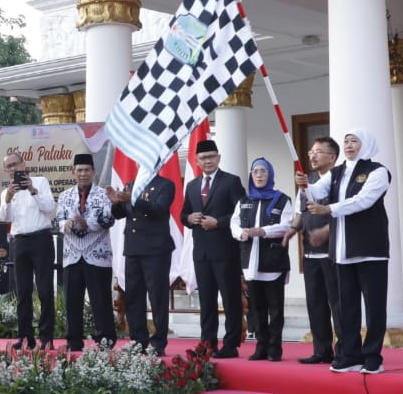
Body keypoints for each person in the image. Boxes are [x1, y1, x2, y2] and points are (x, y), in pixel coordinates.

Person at [296, 129, 391, 375]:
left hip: (370, 249)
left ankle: (372, 356)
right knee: (346, 306)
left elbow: (363, 200)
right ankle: (350, 354)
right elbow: (316, 193)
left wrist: (329, 209)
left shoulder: (377, 171)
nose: (349, 145)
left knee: (374, 306)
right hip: (341, 251)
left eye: (354, 141)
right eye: (346, 141)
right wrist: (304, 185)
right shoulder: (337, 172)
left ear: (367, 144)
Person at [181, 140, 246, 358]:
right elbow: (183, 215)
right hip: (201, 253)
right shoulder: (191, 186)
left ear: (219, 157)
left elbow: (242, 214)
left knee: (230, 299)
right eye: (203, 158)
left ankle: (231, 344)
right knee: (206, 301)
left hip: (226, 251)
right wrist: (189, 218)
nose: (208, 161)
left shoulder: (231, 181)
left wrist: (218, 222)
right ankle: (207, 343)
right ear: (197, 161)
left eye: (211, 156)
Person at [232, 157, 294, 361]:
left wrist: (262, 231)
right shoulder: (245, 201)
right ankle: (261, 346)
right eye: (255, 171)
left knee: (275, 308)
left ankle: (275, 348)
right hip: (250, 262)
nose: (258, 175)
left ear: (270, 175)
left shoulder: (282, 199)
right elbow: (234, 224)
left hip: (273, 262)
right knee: (256, 309)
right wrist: (241, 233)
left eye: (263, 171)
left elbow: (287, 225)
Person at [108, 171, 176, 356]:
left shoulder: (165, 185)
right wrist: (115, 203)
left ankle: (158, 341)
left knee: (157, 297)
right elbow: (121, 214)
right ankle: (138, 340)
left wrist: (134, 199)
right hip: (133, 249)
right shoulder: (130, 185)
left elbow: (159, 209)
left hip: (156, 249)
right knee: (134, 297)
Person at [54, 153, 117, 351]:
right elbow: (56, 221)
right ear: (73, 172)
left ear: (93, 172)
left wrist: (86, 223)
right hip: (72, 256)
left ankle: (105, 341)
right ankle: (74, 341)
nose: (83, 174)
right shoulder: (65, 196)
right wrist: (69, 223)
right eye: (79, 170)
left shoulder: (103, 194)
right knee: (72, 301)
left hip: (97, 255)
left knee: (101, 300)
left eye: (87, 170)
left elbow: (109, 220)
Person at [0, 151, 56, 350]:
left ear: (24, 164)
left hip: (41, 239)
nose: (14, 169)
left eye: (16, 164)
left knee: (45, 289)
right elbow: (5, 218)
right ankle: (25, 336)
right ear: (6, 171)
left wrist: (32, 189)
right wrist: (7, 199)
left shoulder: (40, 182)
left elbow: (50, 208)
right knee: (22, 291)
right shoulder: (6, 191)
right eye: (10, 166)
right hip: (19, 241)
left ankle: (46, 337)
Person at [293, 137, 341, 365]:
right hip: (310, 253)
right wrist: (290, 231)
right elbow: (300, 213)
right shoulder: (308, 181)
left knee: (338, 303)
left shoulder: (339, 181)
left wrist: (326, 230)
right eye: (311, 151)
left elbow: (344, 213)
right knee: (316, 303)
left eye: (318, 152)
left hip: (333, 253)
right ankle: (321, 350)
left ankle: (344, 349)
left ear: (332, 157)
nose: (312, 156)